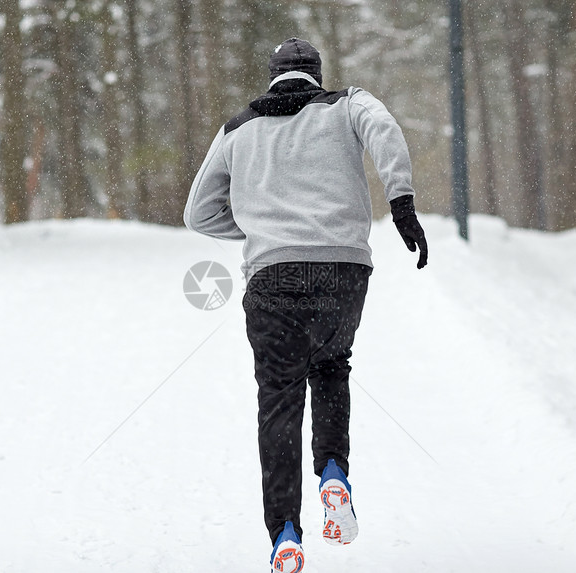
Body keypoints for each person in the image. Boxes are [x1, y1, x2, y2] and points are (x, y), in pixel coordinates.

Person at [183, 37, 428, 573]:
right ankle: (334, 474)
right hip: (344, 270)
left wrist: (260, 229)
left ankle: (285, 536)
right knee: (331, 369)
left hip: (273, 277)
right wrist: (401, 201)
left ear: (271, 76)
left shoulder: (237, 128)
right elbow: (383, 127)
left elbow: (197, 214)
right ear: (316, 73)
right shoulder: (348, 104)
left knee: (278, 400)